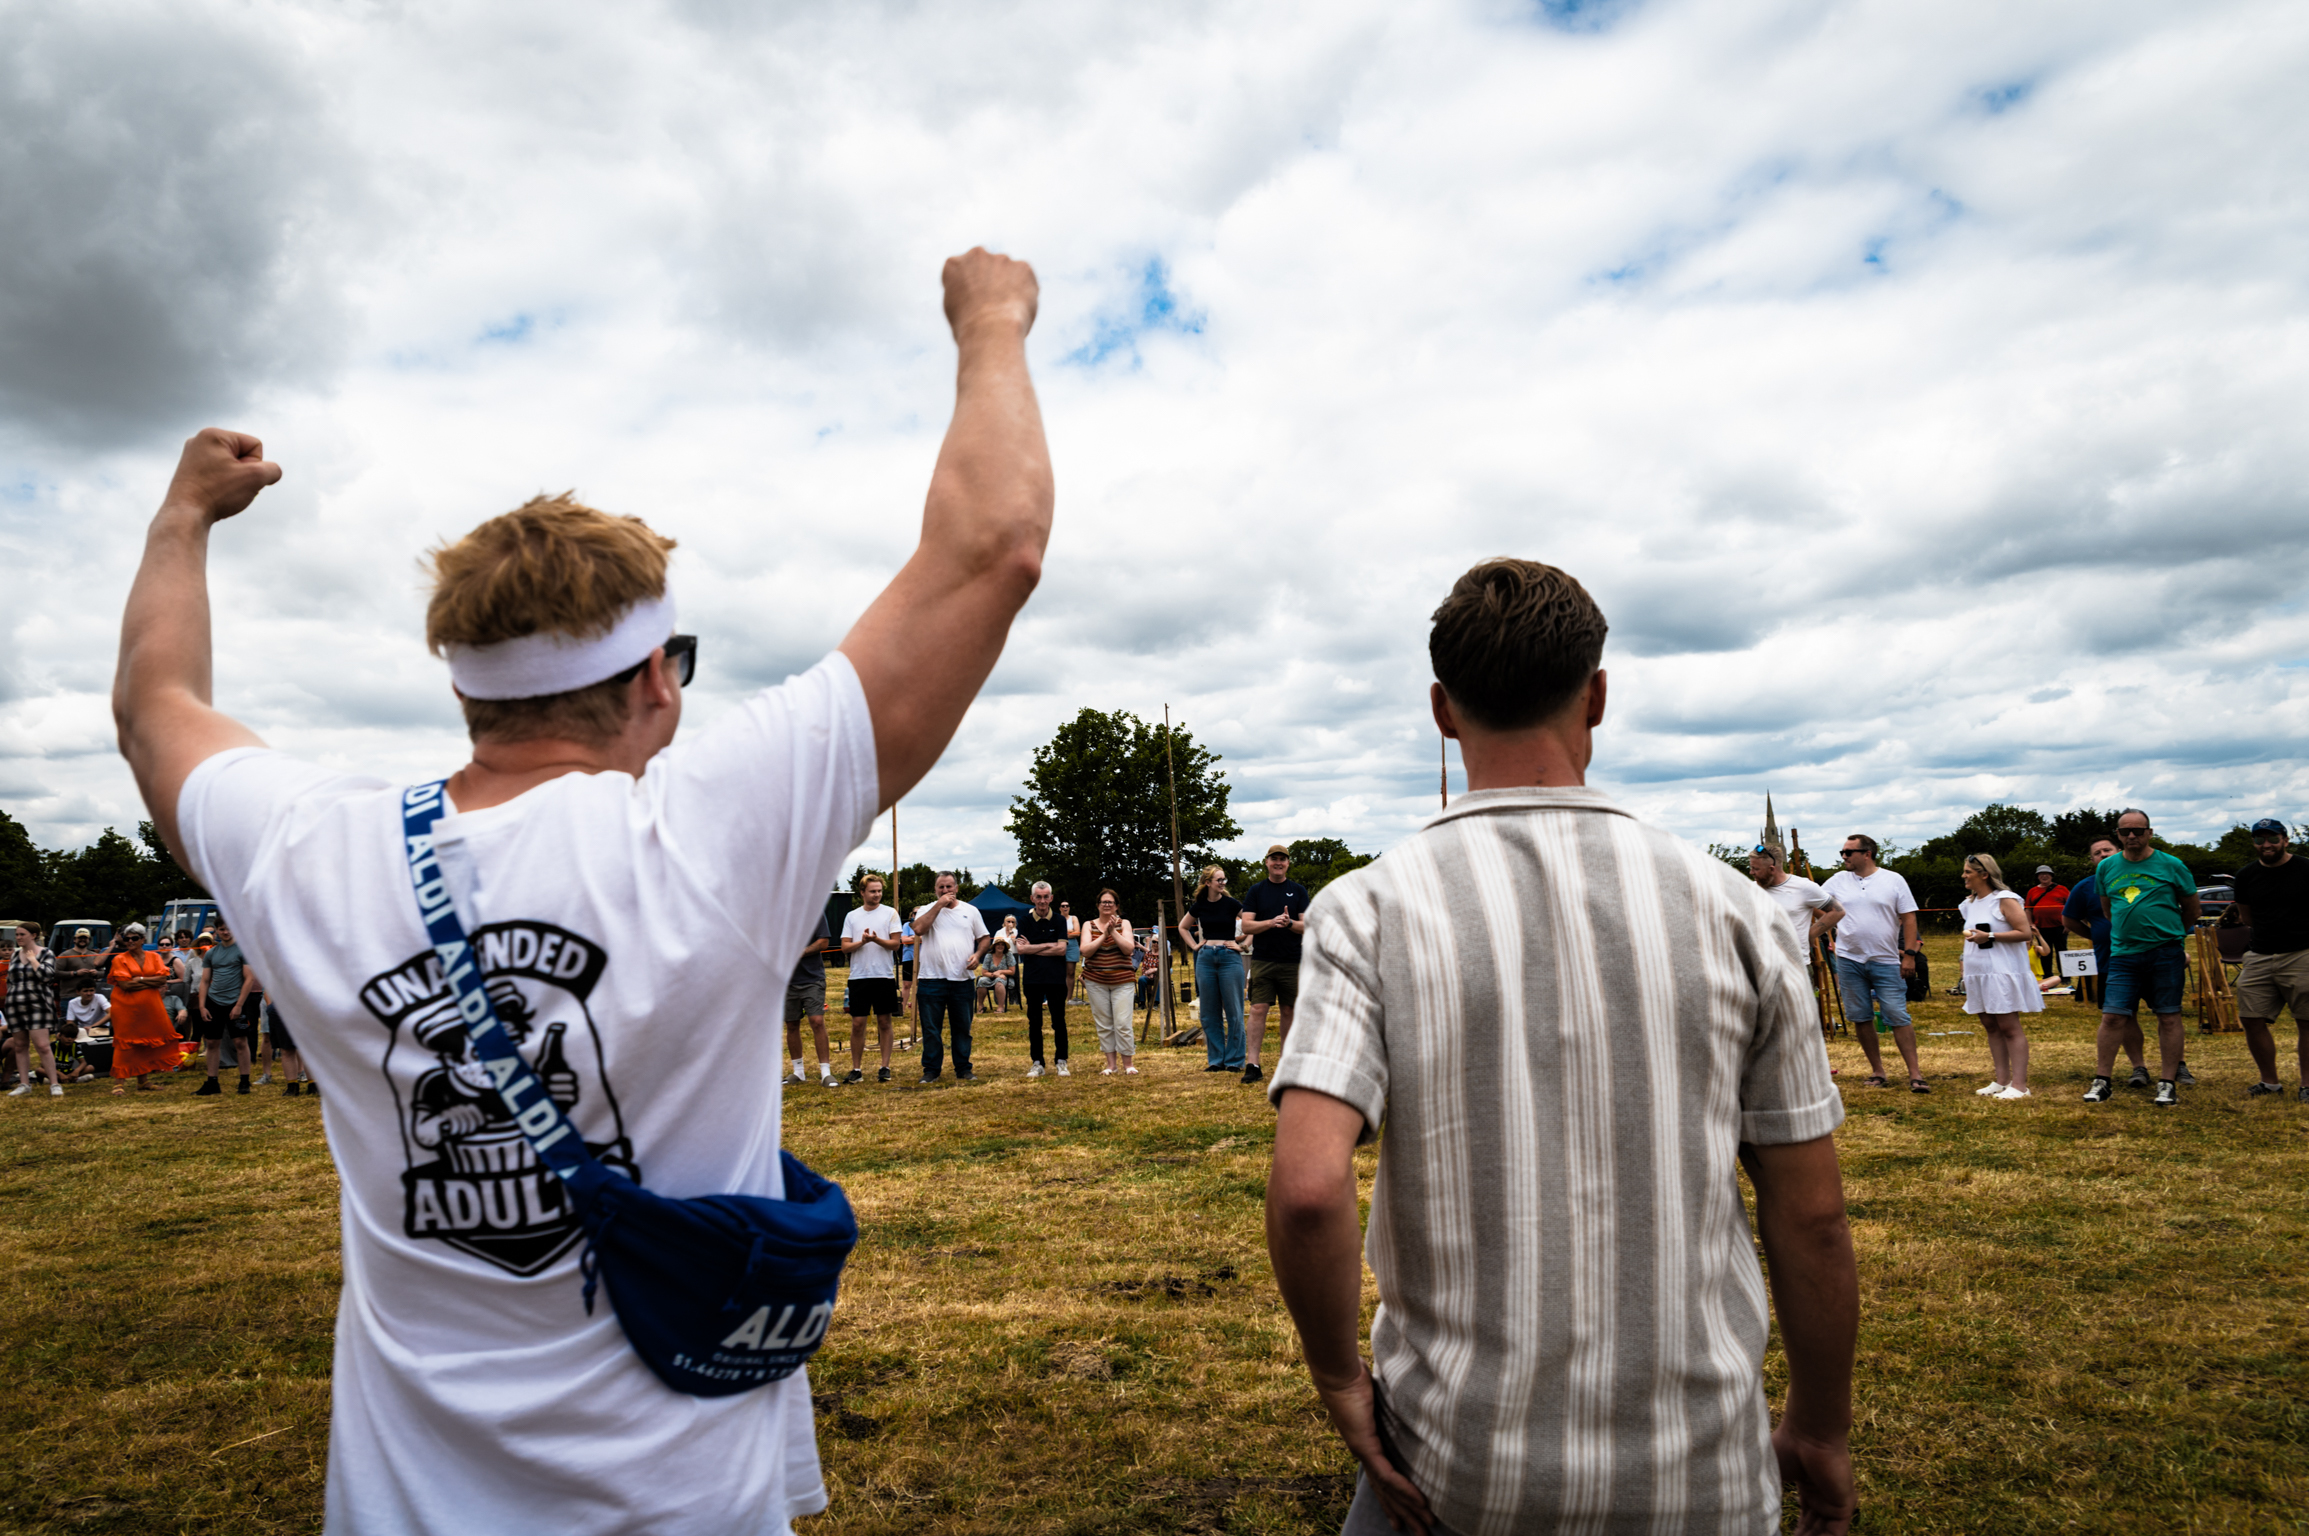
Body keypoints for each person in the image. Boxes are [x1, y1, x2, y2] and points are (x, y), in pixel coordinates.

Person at [111, 247, 1052, 1532]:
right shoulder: (713, 836)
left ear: (463, 687)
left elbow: (157, 711)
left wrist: (181, 517)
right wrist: (991, 320)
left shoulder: (309, 853)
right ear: (658, 679)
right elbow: (990, 547)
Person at [1266, 557, 1855, 1536]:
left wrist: (1337, 1375)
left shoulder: (1365, 910)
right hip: (1696, 1470)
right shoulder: (1735, 911)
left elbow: (1308, 1188)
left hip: (1452, 1465)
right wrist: (1820, 1426)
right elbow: (1811, 1215)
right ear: (1596, 695)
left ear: (1441, 711)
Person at [2082, 809, 2200, 1107]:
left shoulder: (2172, 865)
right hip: (2123, 954)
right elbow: (2108, 911)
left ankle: (2167, 1082)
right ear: (2118, 835)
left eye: (2138, 830)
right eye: (2125, 832)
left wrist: (2170, 934)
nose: (2131, 836)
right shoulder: (2107, 867)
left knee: (2168, 1016)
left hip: (2165, 953)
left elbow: (2192, 909)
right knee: (2112, 1016)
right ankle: (2102, 1081)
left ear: (2149, 832)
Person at [1822, 834, 1928, 1092]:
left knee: (1897, 1015)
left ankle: (1915, 1074)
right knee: (1861, 1016)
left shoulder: (1893, 880)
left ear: (1867, 853)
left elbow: (1909, 917)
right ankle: (1878, 1071)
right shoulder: (1837, 881)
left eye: (1849, 852)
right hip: (1849, 960)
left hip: (1886, 959)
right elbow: (1816, 903)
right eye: (1842, 852)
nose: (1844, 857)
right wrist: (1828, 924)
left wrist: (1910, 954)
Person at [2232, 817, 2309, 1100]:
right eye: (2260, 839)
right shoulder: (2246, 875)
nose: (2266, 844)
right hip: (2260, 954)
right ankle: (2270, 1082)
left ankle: (2307, 1085)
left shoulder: (2305, 868)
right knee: (2251, 1018)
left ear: (2285, 840)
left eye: (2273, 838)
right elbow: (2247, 916)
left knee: (2306, 1020)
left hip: (2302, 953)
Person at [1958, 855, 2041, 1099]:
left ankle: (2020, 1085)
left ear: (1984, 874)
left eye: (1968, 872)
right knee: (1991, 1026)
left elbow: (2024, 933)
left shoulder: (2004, 899)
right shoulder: (1969, 903)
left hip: (2000, 971)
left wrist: (1990, 936)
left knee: (2008, 1026)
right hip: (1979, 972)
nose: (1964, 876)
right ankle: (2002, 1080)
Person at [1240, 844, 1310, 1088]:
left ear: (1288, 863)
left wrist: (1289, 923)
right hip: (1263, 960)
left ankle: (1287, 1065)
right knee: (1258, 1009)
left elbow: (1308, 926)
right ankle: (1253, 1065)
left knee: (1289, 1011)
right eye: (1274, 859)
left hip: (1293, 960)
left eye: (1282, 859)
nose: (1278, 863)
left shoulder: (1298, 891)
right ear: (1267, 862)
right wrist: (1271, 922)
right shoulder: (1257, 891)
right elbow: (1247, 926)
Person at [913, 874, 992, 1083]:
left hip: (962, 979)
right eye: (941, 887)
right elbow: (919, 929)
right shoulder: (926, 909)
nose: (945, 890)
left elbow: (985, 937)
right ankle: (931, 1070)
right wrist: (938, 906)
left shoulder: (970, 911)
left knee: (962, 1028)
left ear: (956, 888)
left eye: (949, 886)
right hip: (931, 978)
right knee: (931, 1029)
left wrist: (978, 955)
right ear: (935, 889)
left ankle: (963, 1069)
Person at [1180, 863, 1246, 1073]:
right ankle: (1216, 1060)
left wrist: (1243, 944)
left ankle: (1234, 1060)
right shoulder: (1199, 905)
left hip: (1229, 957)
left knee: (1234, 1011)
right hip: (1206, 958)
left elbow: (1252, 923)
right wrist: (1194, 946)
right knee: (1209, 1012)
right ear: (1207, 883)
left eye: (1224, 880)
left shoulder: (1232, 903)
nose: (1223, 883)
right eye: (1219, 880)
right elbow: (1183, 927)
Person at [839, 875, 905, 1084]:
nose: (876, 895)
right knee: (858, 1023)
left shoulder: (890, 913)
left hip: (883, 975)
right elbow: (844, 947)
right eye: (872, 891)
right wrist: (863, 942)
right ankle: (856, 1069)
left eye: (879, 891)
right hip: (858, 977)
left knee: (884, 1022)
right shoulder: (852, 916)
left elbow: (896, 944)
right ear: (862, 893)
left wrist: (876, 939)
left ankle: (884, 1067)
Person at [107, 922, 178, 1093]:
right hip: (125, 1008)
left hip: (150, 1008)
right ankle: (119, 1083)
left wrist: (137, 980)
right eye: (127, 938)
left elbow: (162, 980)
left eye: (134, 938)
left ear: (143, 939)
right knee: (125, 1044)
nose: (130, 941)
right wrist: (148, 981)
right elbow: (124, 985)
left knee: (146, 1042)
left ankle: (143, 1081)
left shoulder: (154, 957)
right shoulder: (119, 959)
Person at [194, 916, 260, 1095]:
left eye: (229, 928)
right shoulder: (211, 953)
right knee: (212, 1042)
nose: (226, 932)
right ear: (216, 931)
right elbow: (205, 980)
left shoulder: (243, 950)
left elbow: (249, 979)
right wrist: (202, 1006)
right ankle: (212, 1082)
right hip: (214, 1001)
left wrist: (239, 1005)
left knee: (240, 1041)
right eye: (222, 929)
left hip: (236, 1001)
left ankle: (244, 1081)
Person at [1014, 881, 1071, 1078]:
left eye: (1046, 896)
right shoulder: (1023, 921)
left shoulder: (1059, 920)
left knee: (1059, 1021)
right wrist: (1049, 947)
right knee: (1034, 1022)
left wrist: (1034, 948)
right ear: (1032, 899)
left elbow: (1062, 950)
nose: (1042, 901)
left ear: (1051, 898)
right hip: (1033, 979)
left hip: (1056, 978)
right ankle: (1037, 1063)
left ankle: (1061, 1061)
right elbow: (1021, 950)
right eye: (1038, 897)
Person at [1079, 890, 1137, 1075]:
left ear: (1117, 906)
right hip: (1096, 980)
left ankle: (1128, 1064)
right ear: (1098, 905)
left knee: (1123, 1023)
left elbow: (1129, 949)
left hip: (1123, 980)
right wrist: (1104, 935)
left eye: (1110, 902)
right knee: (1104, 1023)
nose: (1107, 905)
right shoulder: (1088, 925)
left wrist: (1114, 932)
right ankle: (1111, 1065)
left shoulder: (1124, 923)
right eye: (1103, 902)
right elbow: (1085, 951)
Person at [1749, 843, 1844, 955]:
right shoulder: (1750, 889)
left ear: (1772, 869)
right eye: (1751, 868)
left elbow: (1837, 911)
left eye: (1756, 869)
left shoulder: (1803, 887)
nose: (1751, 872)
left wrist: (1812, 934)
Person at [6, 922, 63, 1099]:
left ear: (34, 935)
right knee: (20, 1046)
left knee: (42, 1046)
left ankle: (54, 1083)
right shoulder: (15, 955)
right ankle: (24, 1084)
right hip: (16, 1005)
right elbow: (10, 980)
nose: (18, 938)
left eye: (22, 934)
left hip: (38, 1005)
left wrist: (33, 960)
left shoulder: (46, 953)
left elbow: (46, 976)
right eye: (16, 935)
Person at [783, 913, 836, 1088]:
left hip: (812, 978)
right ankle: (798, 1072)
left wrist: (800, 952)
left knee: (817, 1021)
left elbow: (823, 942)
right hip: (786, 980)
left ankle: (825, 1073)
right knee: (791, 1024)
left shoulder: (814, 912)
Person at [2024, 864, 2070, 968]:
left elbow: (2070, 907)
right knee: (2045, 952)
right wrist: (2031, 924)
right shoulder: (2032, 891)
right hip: (2041, 927)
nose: (2044, 876)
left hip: (2060, 927)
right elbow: (2028, 909)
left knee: (2062, 951)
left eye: (2047, 874)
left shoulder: (2062, 889)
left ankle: (2065, 976)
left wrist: (2068, 924)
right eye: (2041, 874)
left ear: (2051, 876)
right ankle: (2047, 975)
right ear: (2038, 877)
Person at [68, 980, 114, 1081]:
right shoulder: (72, 1003)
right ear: (78, 992)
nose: (89, 993)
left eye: (91, 990)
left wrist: (93, 1026)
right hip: (82, 1031)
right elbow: (69, 1023)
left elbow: (112, 1013)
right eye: (85, 991)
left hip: (101, 1029)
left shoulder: (99, 997)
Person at [976, 938, 1015, 1013]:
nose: (1000, 946)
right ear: (994, 946)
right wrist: (995, 975)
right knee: (981, 981)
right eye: (998, 944)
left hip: (1006, 978)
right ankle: (981, 1006)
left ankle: (1001, 1007)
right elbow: (984, 972)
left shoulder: (1008, 955)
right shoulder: (989, 955)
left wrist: (1000, 971)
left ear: (1005, 947)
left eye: (1002, 945)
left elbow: (1012, 971)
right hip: (991, 977)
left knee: (999, 982)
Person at [1060, 899, 1081, 1000]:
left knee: (1070, 972)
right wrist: (1069, 931)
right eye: (1063, 906)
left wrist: (1064, 932)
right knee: (1059, 971)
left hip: (1072, 946)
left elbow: (1077, 933)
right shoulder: (1057, 918)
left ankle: (1069, 997)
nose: (1065, 908)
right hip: (1060, 944)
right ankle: (1059, 995)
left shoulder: (1073, 918)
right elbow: (1055, 933)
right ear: (1060, 908)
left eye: (1067, 906)